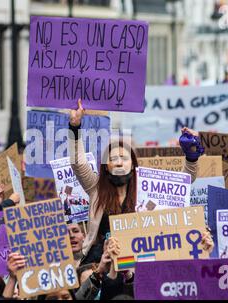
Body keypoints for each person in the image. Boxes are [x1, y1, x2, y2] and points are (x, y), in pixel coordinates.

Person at [68, 99, 212, 263]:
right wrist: (74, 126)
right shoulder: (96, 189)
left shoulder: (148, 189)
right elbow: (78, 163)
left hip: (136, 263)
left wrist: (192, 156)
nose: (119, 162)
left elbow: (183, 182)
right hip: (100, 261)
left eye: (124, 158)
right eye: (113, 158)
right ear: (106, 166)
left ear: (133, 165)